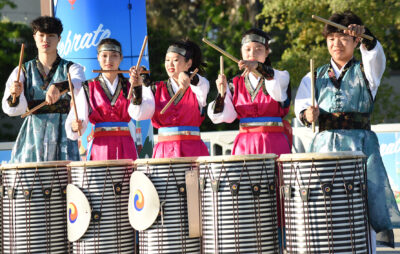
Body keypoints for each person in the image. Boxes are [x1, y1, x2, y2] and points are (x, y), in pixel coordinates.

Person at [294, 10, 400, 250]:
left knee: (362, 206)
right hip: (323, 149)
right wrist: (306, 115)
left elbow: (375, 54)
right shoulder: (313, 76)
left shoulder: (368, 72)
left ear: (355, 40)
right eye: (331, 38)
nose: (336, 43)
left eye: (343, 38)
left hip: (361, 148)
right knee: (325, 208)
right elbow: (300, 110)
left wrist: (367, 36)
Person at [1, 16, 85, 163]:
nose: (46, 40)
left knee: (65, 182)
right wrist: (15, 94)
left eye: (51, 36)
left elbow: (79, 84)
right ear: (35, 37)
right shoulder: (23, 70)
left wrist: (59, 87)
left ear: (59, 38)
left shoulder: (72, 68)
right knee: (31, 182)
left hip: (63, 134)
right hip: (32, 135)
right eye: (41, 35)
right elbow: (10, 109)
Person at [207, 28, 292, 156]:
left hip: (274, 142)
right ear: (241, 53)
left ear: (267, 52)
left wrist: (258, 67)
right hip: (245, 145)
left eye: (258, 49)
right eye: (247, 49)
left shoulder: (280, 76)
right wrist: (221, 94)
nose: (252, 53)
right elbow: (223, 117)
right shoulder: (234, 84)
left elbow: (277, 93)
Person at [130, 39, 210, 158]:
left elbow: (202, 84)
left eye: (175, 60)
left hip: (193, 149)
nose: (170, 64)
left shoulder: (198, 87)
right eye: (167, 60)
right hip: (165, 151)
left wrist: (188, 75)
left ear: (188, 64)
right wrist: (137, 88)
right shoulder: (155, 89)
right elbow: (140, 114)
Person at [66, 38, 137, 161]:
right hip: (100, 145)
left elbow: (141, 111)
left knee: (127, 178)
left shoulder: (131, 85)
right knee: (101, 178)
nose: (109, 60)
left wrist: (139, 85)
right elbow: (78, 119)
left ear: (121, 58)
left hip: (125, 143)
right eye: (104, 56)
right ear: (98, 57)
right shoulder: (88, 87)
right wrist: (75, 126)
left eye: (114, 56)